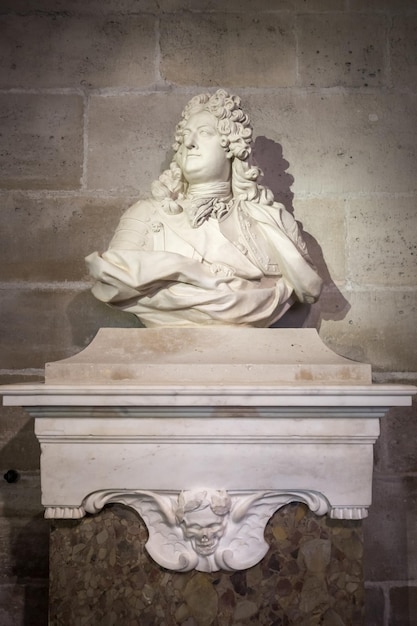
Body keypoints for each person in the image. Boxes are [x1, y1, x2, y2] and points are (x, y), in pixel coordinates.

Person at [86, 89, 322, 327]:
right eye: (186, 135)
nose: (189, 143)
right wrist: (185, 268)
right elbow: (109, 278)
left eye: (204, 133)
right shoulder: (146, 215)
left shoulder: (272, 222)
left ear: (231, 147)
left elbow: (308, 286)